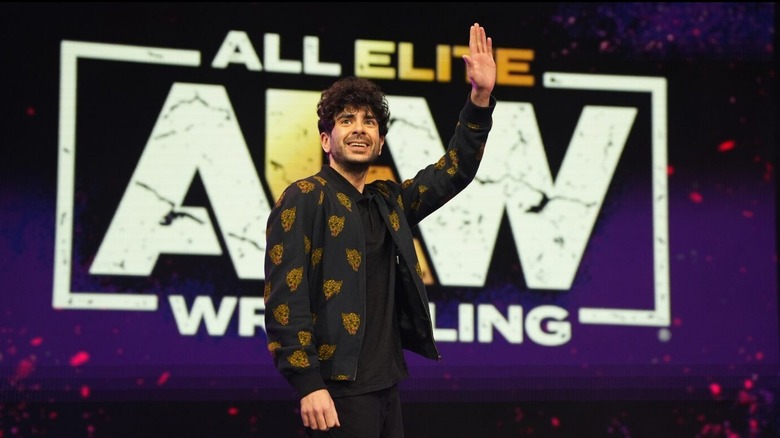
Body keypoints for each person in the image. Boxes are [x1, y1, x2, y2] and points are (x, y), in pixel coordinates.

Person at [263, 23, 496, 437]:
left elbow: (453, 171)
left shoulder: (389, 202)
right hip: (336, 391)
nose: (359, 128)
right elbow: (285, 299)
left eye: (369, 122)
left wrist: (479, 99)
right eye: (346, 120)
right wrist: (308, 385)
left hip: (386, 386)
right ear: (325, 139)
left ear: (380, 143)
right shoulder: (303, 197)